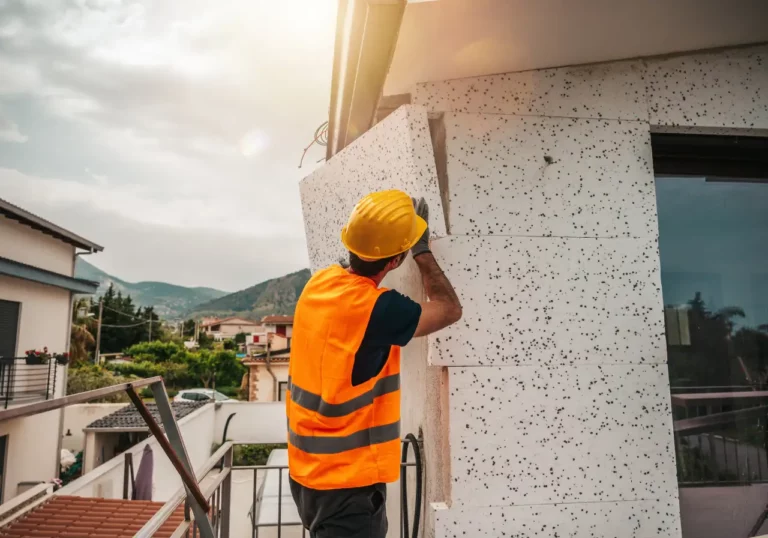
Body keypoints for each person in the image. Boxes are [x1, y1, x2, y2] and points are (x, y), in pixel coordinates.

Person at [286, 189, 462, 538]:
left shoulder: (318, 284)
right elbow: (449, 309)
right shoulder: (378, 310)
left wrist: (389, 231)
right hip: (347, 488)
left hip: (307, 475)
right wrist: (422, 249)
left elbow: (353, 262)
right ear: (395, 261)